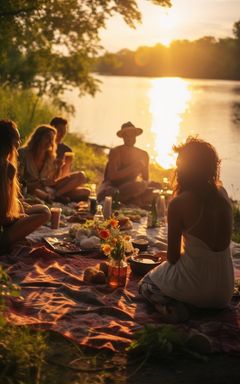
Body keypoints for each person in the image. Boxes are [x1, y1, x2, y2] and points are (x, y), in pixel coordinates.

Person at [139, 137, 234, 322]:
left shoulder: (179, 203)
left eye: (179, 164)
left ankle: (172, 310)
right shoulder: (222, 194)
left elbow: (173, 258)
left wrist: (164, 258)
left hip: (197, 287)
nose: (177, 168)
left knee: (146, 284)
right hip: (224, 292)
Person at [0, 120, 51, 255]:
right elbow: (4, 216)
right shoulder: (6, 167)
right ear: (8, 141)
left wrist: (22, 206)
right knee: (45, 213)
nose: (20, 142)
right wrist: (23, 215)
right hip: (2, 237)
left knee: (38, 208)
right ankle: (11, 241)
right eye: (17, 138)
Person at [18, 125, 90, 202]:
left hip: (49, 189)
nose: (50, 142)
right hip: (32, 189)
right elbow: (20, 183)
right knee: (37, 192)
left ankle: (55, 196)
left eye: (52, 139)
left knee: (82, 181)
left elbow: (53, 180)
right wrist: (41, 184)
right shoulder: (23, 154)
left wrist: (58, 168)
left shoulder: (50, 156)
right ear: (38, 137)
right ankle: (53, 197)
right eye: (47, 138)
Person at [97, 121, 153, 205]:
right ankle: (125, 200)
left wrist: (142, 185)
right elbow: (112, 177)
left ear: (135, 136)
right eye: (127, 135)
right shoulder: (115, 151)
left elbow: (145, 180)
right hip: (111, 187)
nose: (130, 137)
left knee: (150, 189)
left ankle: (123, 199)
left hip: (129, 187)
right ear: (123, 137)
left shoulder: (143, 154)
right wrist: (133, 167)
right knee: (111, 192)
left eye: (132, 135)